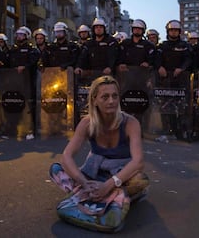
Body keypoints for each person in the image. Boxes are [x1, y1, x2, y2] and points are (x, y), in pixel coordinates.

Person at [49, 75, 149, 231]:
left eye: (115, 96)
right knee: (56, 170)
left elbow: (138, 162)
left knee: (139, 180)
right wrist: (84, 182)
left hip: (120, 177)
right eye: (105, 97)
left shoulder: (130, 123)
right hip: (93, 173)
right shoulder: (87, 123)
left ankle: (97, 197)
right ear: (94, 100)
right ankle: (101, 197)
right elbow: (66, 157)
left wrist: (109, 185)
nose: (111, 101)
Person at [155, 20, 193, 141]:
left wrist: (181, 68)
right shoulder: (162, 46)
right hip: (166, 80)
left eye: (176, 30)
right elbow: (156, 59)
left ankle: (182, 129)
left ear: (179, 32)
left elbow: (189, 59)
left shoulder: (185, 45)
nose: (174, 32)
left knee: (182, 105)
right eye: (172, 30)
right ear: (168, 32)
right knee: (166, 104)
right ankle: (167, 128)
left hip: (181, 80)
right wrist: (159, 67)